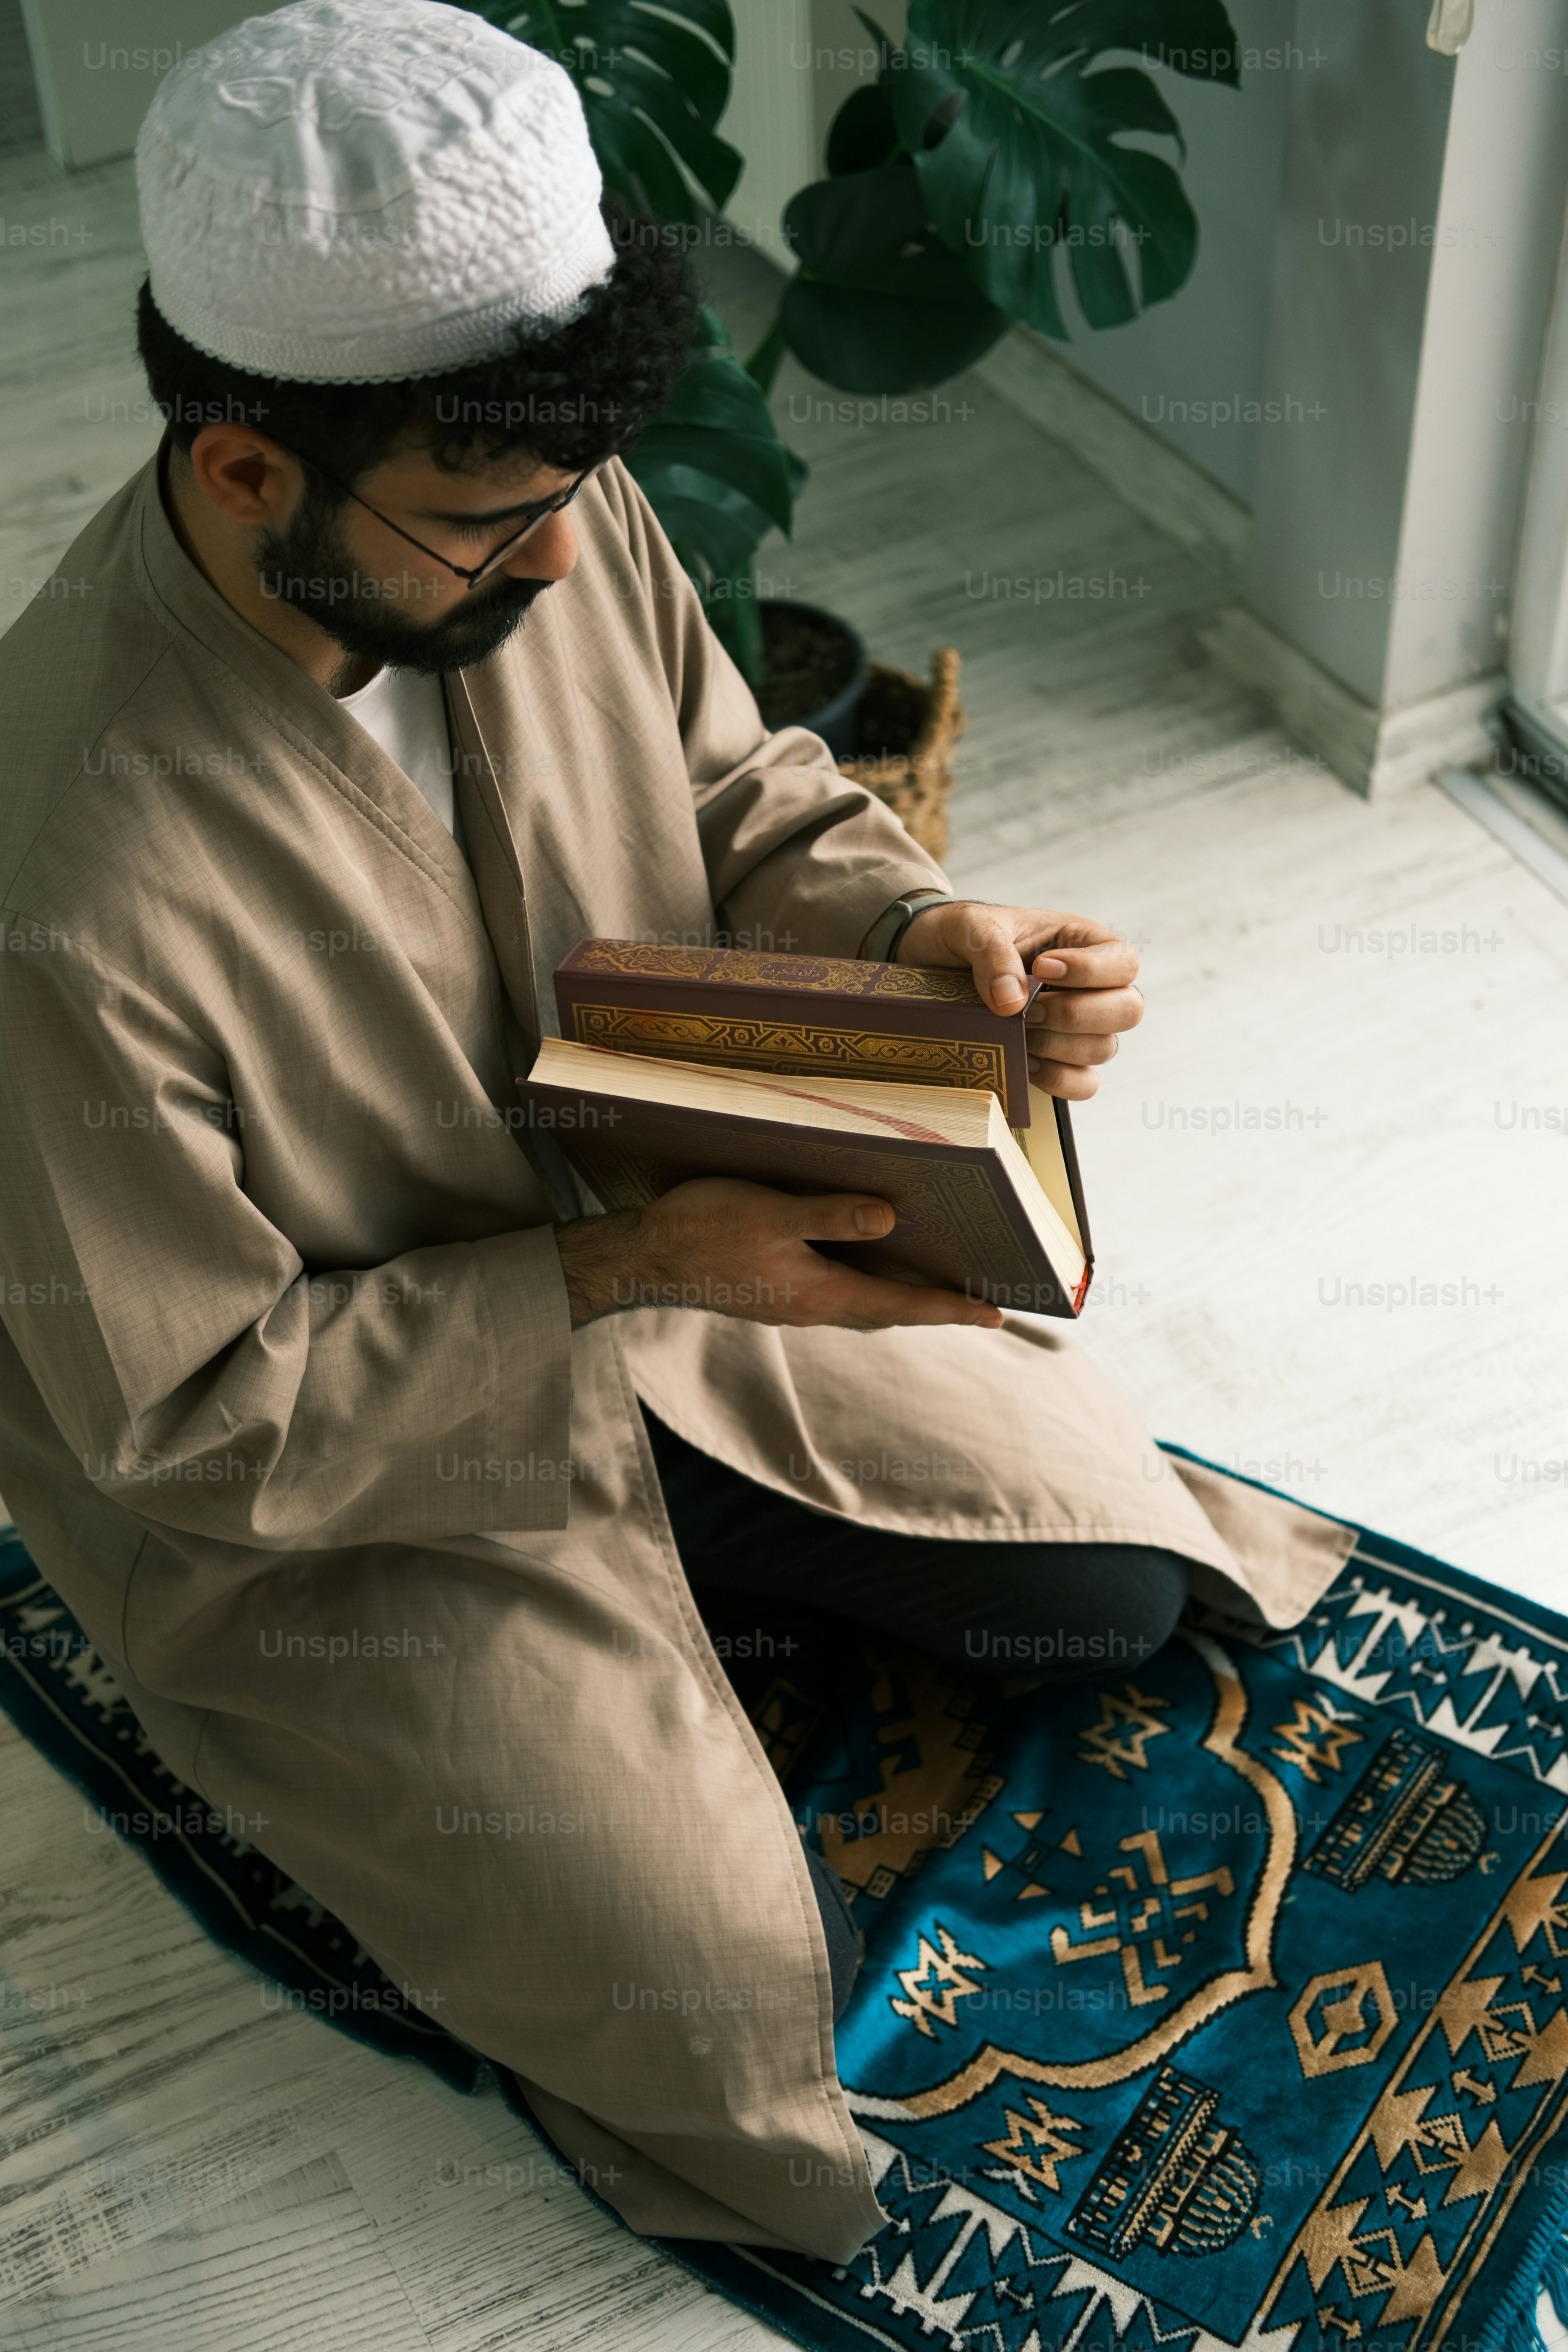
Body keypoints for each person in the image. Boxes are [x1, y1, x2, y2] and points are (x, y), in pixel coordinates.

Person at [0, 0, 1353, 2258]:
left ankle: (716, 1535)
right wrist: (630, 1278)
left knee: (1118, 1594)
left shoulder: (528, 485)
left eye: (564, 502)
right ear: (246, 470)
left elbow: (741, 795)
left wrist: (934, 941)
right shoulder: (60, 876)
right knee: (715, 2001)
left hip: (682, 1243)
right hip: (341, 1493)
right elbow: (187, 1421)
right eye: (480, 526)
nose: (551, 571)